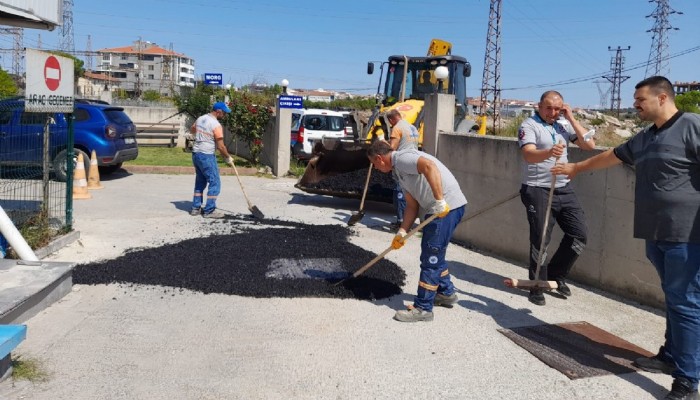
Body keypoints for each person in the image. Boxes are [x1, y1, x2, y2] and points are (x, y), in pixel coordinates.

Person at [552, 76, 700, 400]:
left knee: (686, 303)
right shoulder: (645, 138)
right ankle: (671, 356)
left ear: (662, 98)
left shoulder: (691, 126)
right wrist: (577, 169)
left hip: (687, 235)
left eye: (640, 100)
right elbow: (612, 157)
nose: (635, 106)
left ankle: (688, 380)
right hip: (656, 232)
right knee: (675, 299)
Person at [367, 140, 467, 322]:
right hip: (438, 208)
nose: (375, 168)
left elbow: (429, 166)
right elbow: (411, 205)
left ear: (380, 159)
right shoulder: (398, 172)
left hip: (447, 207)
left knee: (431, 256)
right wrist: (402, 232)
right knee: (433, 252)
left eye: (374, 164)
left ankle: (423, 308)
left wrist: (439, 200)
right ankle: (445, 292)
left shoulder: (403, 159)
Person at [517, 90, 597, 306]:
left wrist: (571, 117)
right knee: (541, 238)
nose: (552, 112)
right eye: (548, 108)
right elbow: (528, 154)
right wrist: (549, 153)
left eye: (557, 108)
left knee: (579, 235)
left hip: (564, 187)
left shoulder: (564, 124)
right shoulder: (529, 126)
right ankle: (537, 283)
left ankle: (555, 275)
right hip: (537, 189)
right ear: (539, 107)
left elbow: (589, 145)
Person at [190, 101, 234, 219]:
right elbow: (221, 146)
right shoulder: (216, 125)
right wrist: (228, 157)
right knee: (215, 182)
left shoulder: (200, 118)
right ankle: (209, 210)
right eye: (224, 113)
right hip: (207, 155)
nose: (224, 115)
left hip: (196, 154)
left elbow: (192, 129)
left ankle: (195, 208)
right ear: (218, 111)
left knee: (200, 181)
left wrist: (202, 134)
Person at [386, 109, 420, 230]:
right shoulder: (412, 128)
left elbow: (392, 148)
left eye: (389, 122)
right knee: (409, 192)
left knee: (399, 191)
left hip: (402, 163)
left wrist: (382, 144)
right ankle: (408, 222)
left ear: (391, 119)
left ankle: (401, 222)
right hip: (414, 162)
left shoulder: (397, 128)